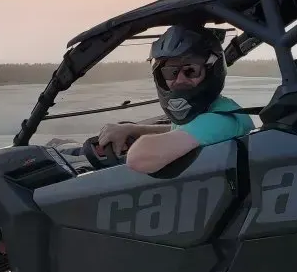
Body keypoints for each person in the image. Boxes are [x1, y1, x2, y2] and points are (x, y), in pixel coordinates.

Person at [97, 24, 255, 173]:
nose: (179, 80)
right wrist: (133, 129)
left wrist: (138, 140)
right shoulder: (212, 111)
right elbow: (184, 131)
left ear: (212, 71)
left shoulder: (221, 120)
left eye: (191, 71)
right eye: (171, 72)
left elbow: (138, 158)